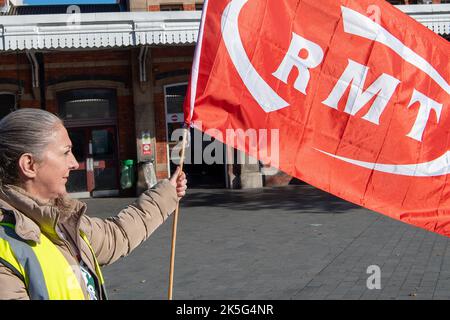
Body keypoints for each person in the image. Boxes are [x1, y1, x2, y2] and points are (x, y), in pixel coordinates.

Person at [0, 108, 187, 300]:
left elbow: (117, 235)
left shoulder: (61, 219)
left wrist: (166, 193)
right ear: (29, 165)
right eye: (66, 152)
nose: (73, 163)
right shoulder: (5, 251)